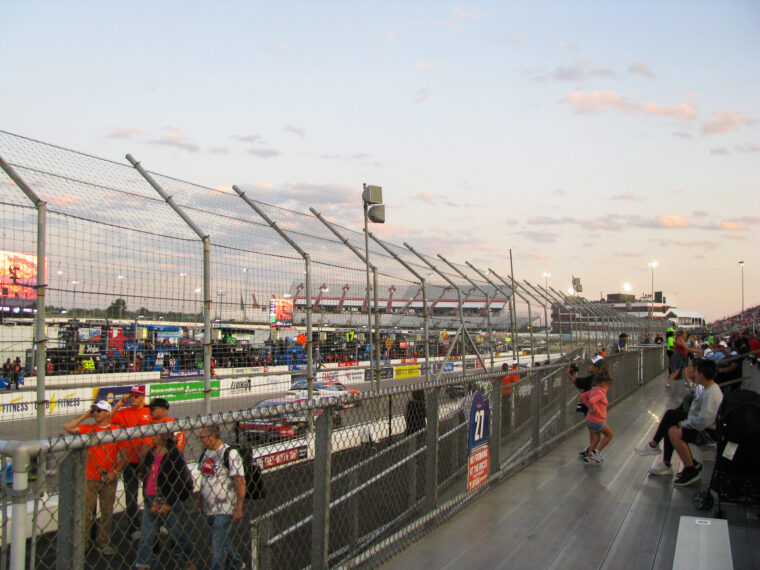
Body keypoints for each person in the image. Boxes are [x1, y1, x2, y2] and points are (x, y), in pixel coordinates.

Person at [636, 358, 723, 486]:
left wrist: (684, 424)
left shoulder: (711, 393)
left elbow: (704, 420)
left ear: (701, 374)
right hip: (702, 427)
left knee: (673, 431)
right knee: (670, 424)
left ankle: (690, 469)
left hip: (706, 432)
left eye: (695, 370)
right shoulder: (708, 389)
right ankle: (684, 463)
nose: (692, 372)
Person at [63, 400, 126, 556]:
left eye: (99, 411)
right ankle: (82, 545)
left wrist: (115, 472)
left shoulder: (117, 431)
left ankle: (103, 542)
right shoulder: (88, 428)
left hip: (108, 479)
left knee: (107, 514)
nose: (95, 413)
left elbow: (125, 456)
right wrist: (86, 415)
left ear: (107, 413)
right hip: (89, 479)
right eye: (94, 411)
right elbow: (67, 427)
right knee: (85, 514)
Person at [135, 433, 196, 569]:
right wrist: (142, 472)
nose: (151, 437)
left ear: (162, 438)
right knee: (146, 535)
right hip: (151, 498)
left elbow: (179, 481)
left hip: (167, 498)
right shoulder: (151, 452)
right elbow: (148, 470)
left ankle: (189, 559)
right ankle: (142, 564)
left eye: (154, 435)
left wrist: (169, 502)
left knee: (177, 533)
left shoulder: (174, 455)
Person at [198, 425, 245, 570]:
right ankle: (236, 563)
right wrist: (201, 500)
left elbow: (240, 482)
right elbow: (204, 478)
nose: (200, 441)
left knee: (217, 544)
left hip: (225, 508)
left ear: (212, 437)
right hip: (209, 508)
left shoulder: (229, 453)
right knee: (219, 540)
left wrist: (239, 508)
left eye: (202, 437)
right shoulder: (206, 453)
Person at [112, 385, 153, 539]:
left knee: (150, 493)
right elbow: (107, 420)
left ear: (143, 396)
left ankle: (153, 524)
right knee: (131, 496)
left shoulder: (150, 411)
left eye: (136, 395)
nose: (132, 398)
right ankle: (133, 527)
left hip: (148, 459)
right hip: (129, 460)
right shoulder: (123, 412)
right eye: (131, 395)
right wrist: (118, 405)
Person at [580, 367, 614, 466]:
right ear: (603, 384)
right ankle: (596, 453)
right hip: (598, 420)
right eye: (608, 386)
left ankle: (589, 456)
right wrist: (595, 410)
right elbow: (592, 401)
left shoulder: (593, 390)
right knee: (609, 435)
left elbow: (583, 396)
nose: (608, 388)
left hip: (590, 419)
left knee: (596, 438)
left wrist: (589, 407)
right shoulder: (601, 393)